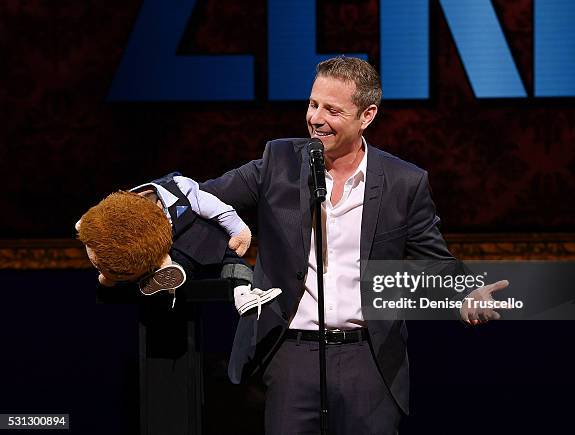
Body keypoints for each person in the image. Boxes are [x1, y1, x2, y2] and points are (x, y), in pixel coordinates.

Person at [201, 56, 508, 434]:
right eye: (313, 104)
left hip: (369, 359)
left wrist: (465, 293)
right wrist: (150, 207)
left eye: (332, 110)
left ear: (367, 115)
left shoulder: (403, 182)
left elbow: (435, 261)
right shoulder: (276, 163)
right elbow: (204, 201)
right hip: (291, 355)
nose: (316, 118)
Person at [76, 172, 281, 316]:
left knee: (230, 261)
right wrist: (109, 275)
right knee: (175, 263)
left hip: (205, 242)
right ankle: (166, 277)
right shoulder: (126, 214)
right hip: (175, 254)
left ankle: (243, 296)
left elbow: (214, 208)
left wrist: (238, 229)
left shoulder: (179, 189)